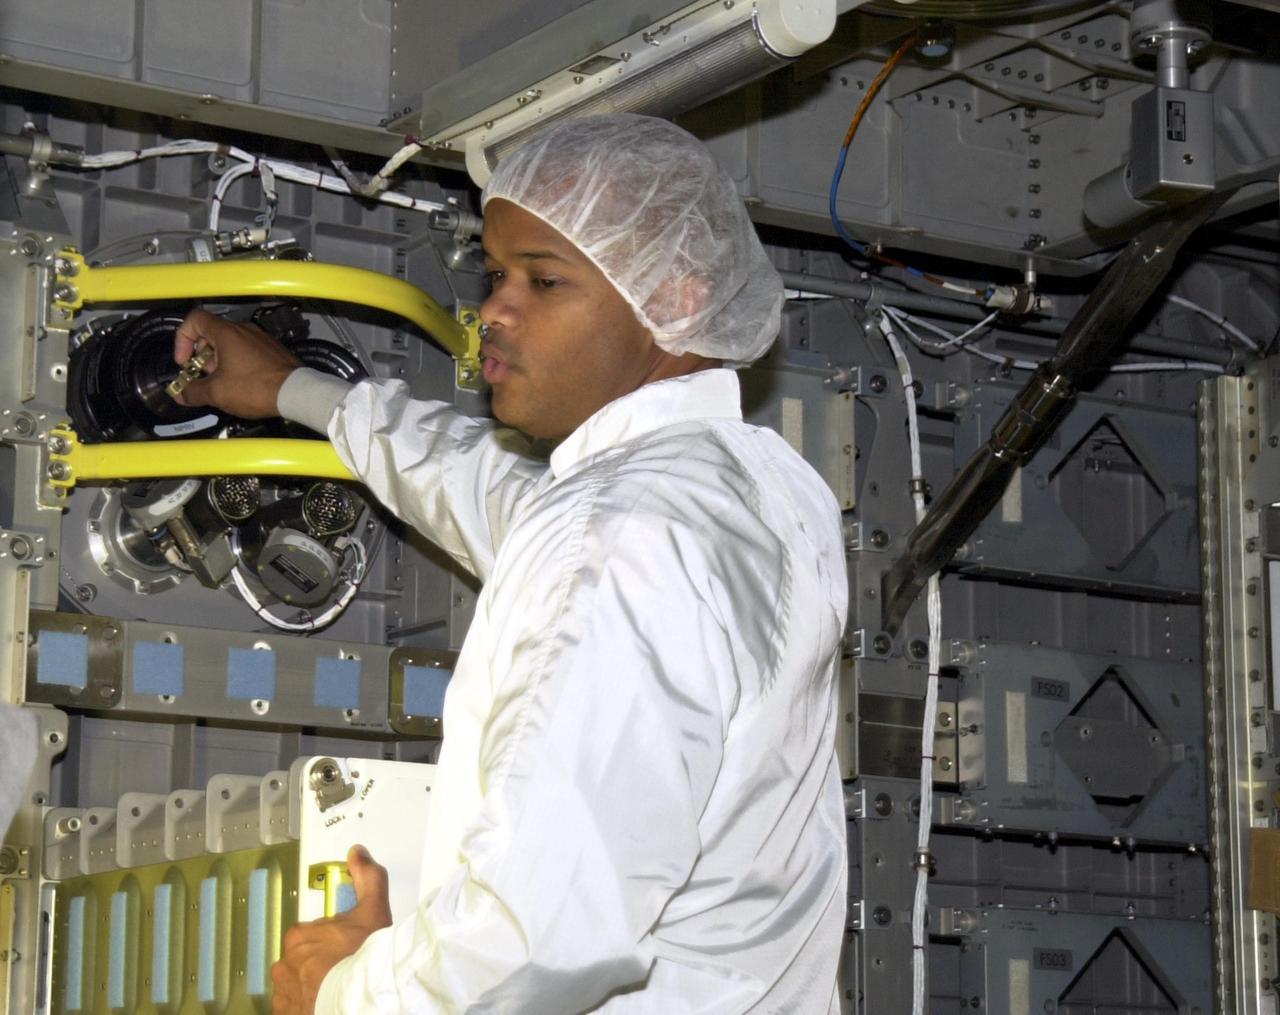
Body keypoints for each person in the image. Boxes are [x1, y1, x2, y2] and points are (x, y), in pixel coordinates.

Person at [174, 113, 848, 1014]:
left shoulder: (620, 536)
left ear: (677, 300)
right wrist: (298, 391)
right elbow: (489, 491)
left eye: (544, 279)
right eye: (495, 274)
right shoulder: (754, 489)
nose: (493, 309)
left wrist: (343, 992)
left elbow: (539, 933)